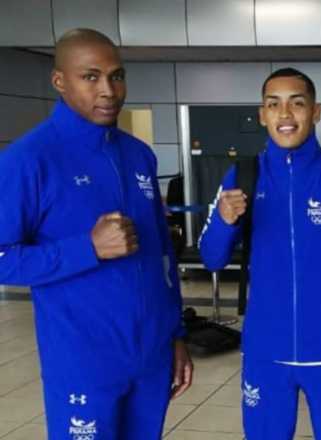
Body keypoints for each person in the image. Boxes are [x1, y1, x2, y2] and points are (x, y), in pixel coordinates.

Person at [0, 28, 192, 439]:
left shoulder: (138, 154)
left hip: (151, 358)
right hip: (82, 362)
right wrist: (87, 247)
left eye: (116, 76)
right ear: (59, 82)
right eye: (91, 77)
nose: (108, 90)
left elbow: (162, 258)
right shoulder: (28, 159)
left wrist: (176, 334)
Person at [199, 68, 321, 439]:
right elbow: (212, 259)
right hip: (266, 351)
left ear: (316, 111)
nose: (285, 115)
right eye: (273, 104)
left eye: (297, 104)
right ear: (262, 114)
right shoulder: (242, 175)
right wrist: (223, 220)